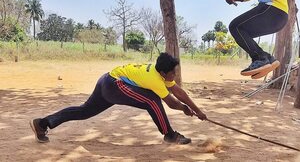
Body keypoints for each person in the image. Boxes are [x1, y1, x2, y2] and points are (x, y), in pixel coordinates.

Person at [30, 52, 207, 145]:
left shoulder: (160, 75)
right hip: (113, 84)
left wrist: (197, 110)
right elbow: (171, 102)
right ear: (163, 73)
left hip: (107, 79)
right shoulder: (155, 79)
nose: (175, 75)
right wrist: (184, 109)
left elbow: (180, 93)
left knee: (85, 111)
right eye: (172, 73)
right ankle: (170, 135)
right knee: (152, 100)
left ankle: (42, 123)